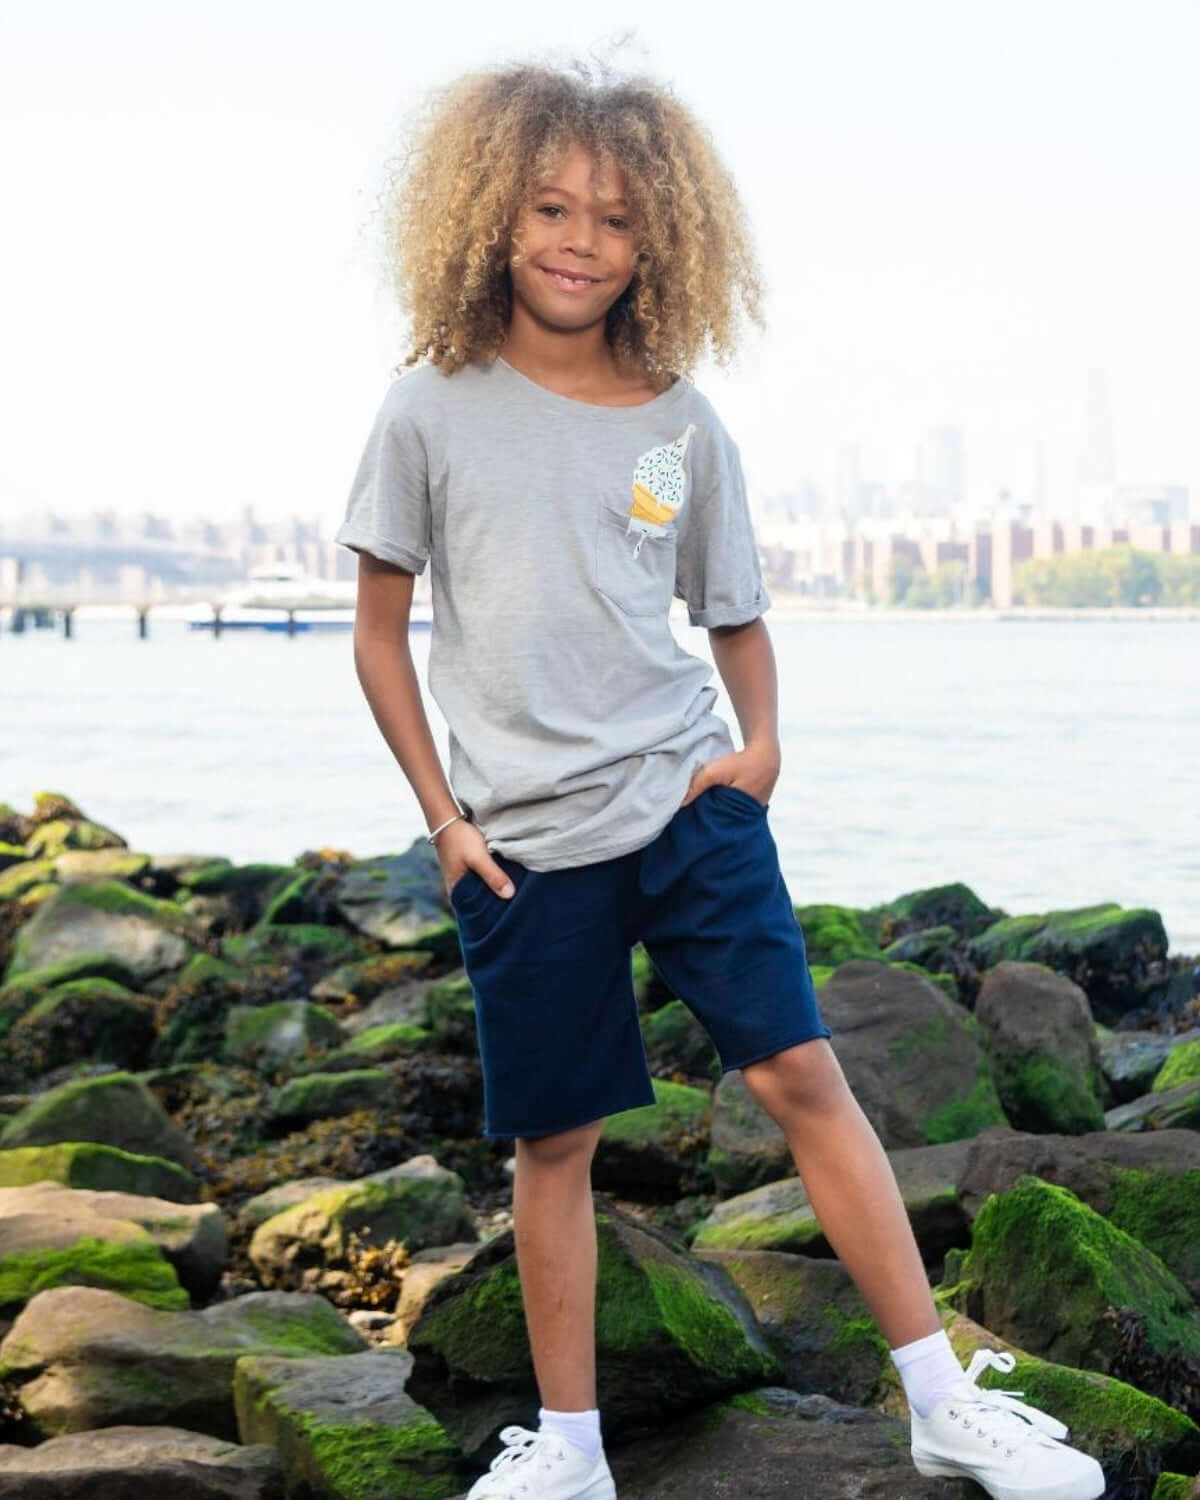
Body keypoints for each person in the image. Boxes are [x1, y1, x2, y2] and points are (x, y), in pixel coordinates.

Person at [334, 54, 1105, 1500]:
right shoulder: (427, 408)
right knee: (554, 1144)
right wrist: (442, 822)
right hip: (523, 843)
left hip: (689, 806)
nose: (580, 242)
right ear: (491, 215)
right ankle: (569, 1453)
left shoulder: (682, 421)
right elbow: (378, 637)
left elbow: (733, 612)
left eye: (616, 220)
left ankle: (940, 1396)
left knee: (805, 1073)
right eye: (551, 208)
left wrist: (760, 749)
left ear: (661, 239)